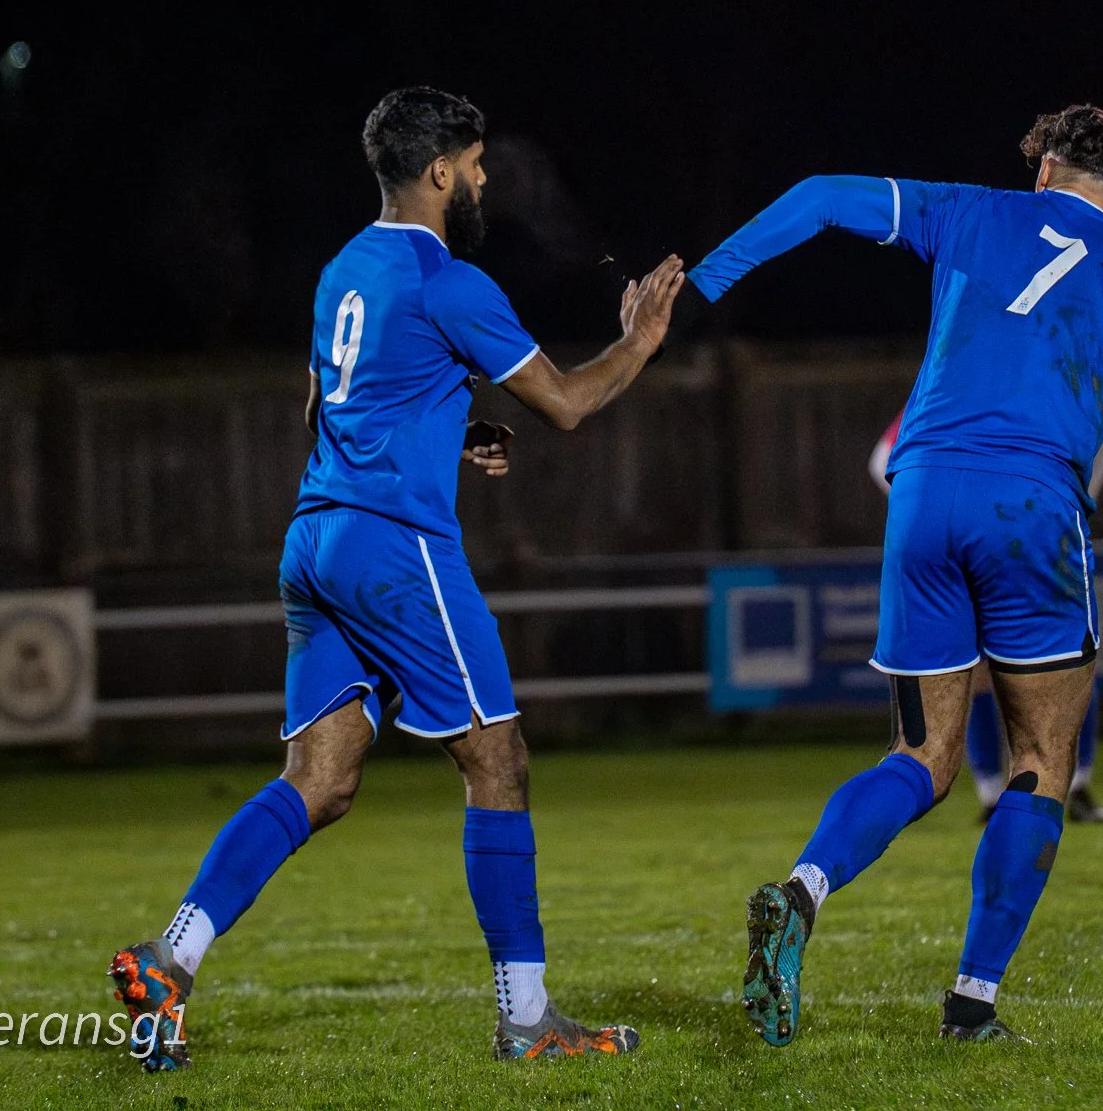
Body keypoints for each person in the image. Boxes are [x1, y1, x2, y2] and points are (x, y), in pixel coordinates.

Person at [107, 88, 685, 1071]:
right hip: (394, 550)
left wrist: (445, 429)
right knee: (496, 760)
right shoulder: (450, 282)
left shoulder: (343, 268)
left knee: (320, 782)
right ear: (437, 173)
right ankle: (526, 1018)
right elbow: (569, 404)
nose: (484, 179)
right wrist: (638, 340)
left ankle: (170, 957)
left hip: (315, 541)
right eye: (474, 163)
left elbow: (323, 408)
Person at [679, 104, 1103, 1043]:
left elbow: (817, 197)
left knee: (922, 758)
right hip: (1033, 508)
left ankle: (801, 891)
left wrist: (704, 285)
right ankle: (972, 1002)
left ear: (1044, 172)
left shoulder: (966, 209)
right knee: (1042, 763)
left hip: (922, 494)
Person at [872, 409, 1103, 824]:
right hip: (1011, 539)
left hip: (1010, 538)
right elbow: (881, 460)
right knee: (1049, 662)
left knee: (1049, 664)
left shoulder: (967, 381)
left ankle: (1025, 791)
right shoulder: (968, 383)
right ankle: (1022, 792)